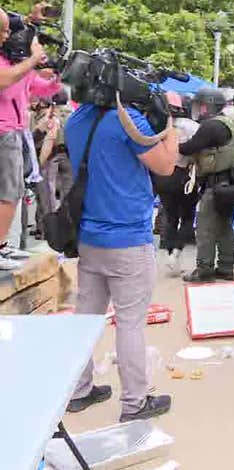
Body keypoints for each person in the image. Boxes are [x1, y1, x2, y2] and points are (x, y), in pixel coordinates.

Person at [63, 91, 178, 422]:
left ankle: (78, 391)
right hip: (128, 238)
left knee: (85, 320)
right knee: (130, 323)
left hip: (89, 236)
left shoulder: (77, 120)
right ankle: (134, 403)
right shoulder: (127, 121)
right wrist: (169, 124)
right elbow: (166, 165)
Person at [0, 7, 61, 269]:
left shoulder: (17, 67)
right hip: (4, 132)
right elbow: (5, 82)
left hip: (14, 133)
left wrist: (57, 75)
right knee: (8, 194)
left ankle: (3, 245)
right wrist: (33, 60)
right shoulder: (7, 66)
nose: (6, 36)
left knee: (12, 193)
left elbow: (43, 89)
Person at [181, 87, 234, 282]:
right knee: (225, 227)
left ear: (207, 106)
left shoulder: (211, 126)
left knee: (205, 229)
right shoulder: (228, 122)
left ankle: (204, 269)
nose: (198, 110)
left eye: (200, 105)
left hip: (216, 185)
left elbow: (188, 148)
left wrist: (169, 143)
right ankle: (226, 268)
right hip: (232, 183)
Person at [154, 92, 200, 276]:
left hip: (163, 174)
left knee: (170, 216)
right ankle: (177, 252)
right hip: (184, 175)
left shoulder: (157, 126)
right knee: (188, 217)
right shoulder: (192, 126)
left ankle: (170, 254)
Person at [31, 91, 72, 240]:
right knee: (67, 193)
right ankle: (67, 226)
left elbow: (40, 138)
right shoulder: (73, 114)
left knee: (47, 194)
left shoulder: (49, 116)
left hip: (50, 155)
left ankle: (46, 228)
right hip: (68, 155)